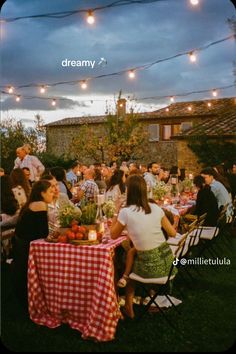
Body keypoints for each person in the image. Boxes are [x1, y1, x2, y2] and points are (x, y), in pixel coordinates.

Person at [110, 175, 177, 319]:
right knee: (135, 258)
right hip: (168, 265)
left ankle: (125, 303)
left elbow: (113, 235)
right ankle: (137, 298)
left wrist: (116, 210)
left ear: (129, 191)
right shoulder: (156, 208)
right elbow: (172, 233)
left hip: (149, 269)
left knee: (125, 263)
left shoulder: (125, 212)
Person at [12, 180, 54, 307]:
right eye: (50, 192)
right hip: (27, 249)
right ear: (42, 193)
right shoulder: (41, 205)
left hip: (20, 247)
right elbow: (43, 233)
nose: (53, 194)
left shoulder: (31, 203)